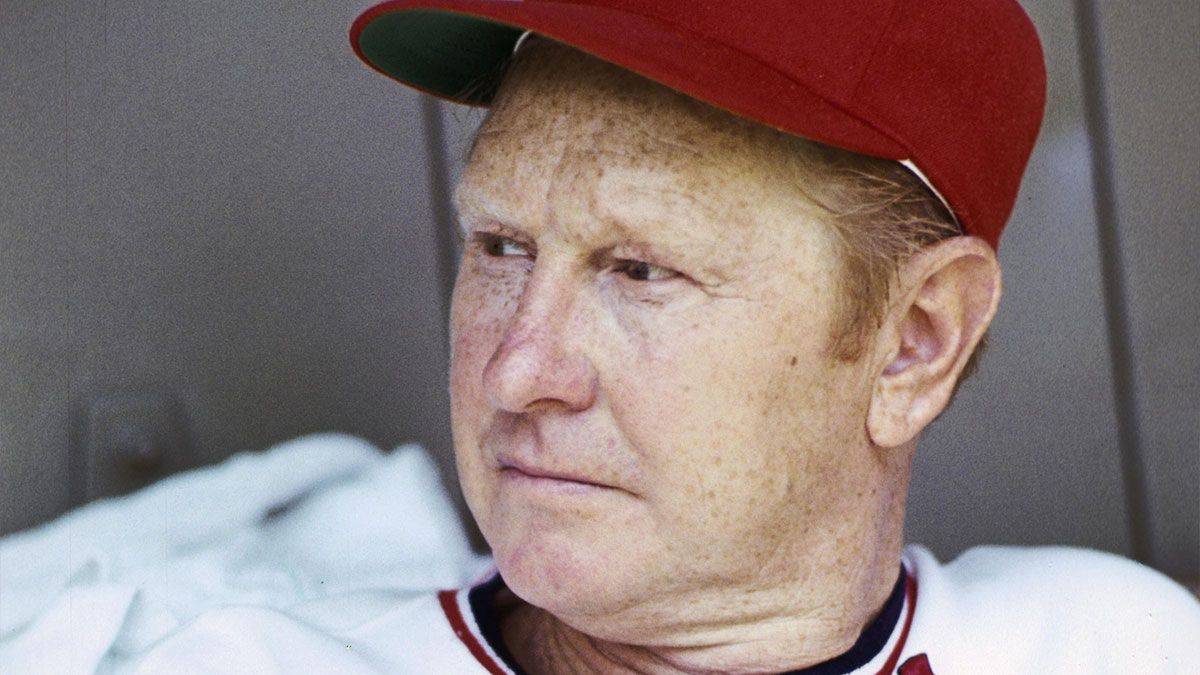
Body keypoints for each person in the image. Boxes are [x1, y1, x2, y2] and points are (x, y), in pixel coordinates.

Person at [123, 1, 1200, 673]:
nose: (518, 371)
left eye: (640, 271)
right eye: (500, 247)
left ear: (915, 342)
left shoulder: (1120, 644)